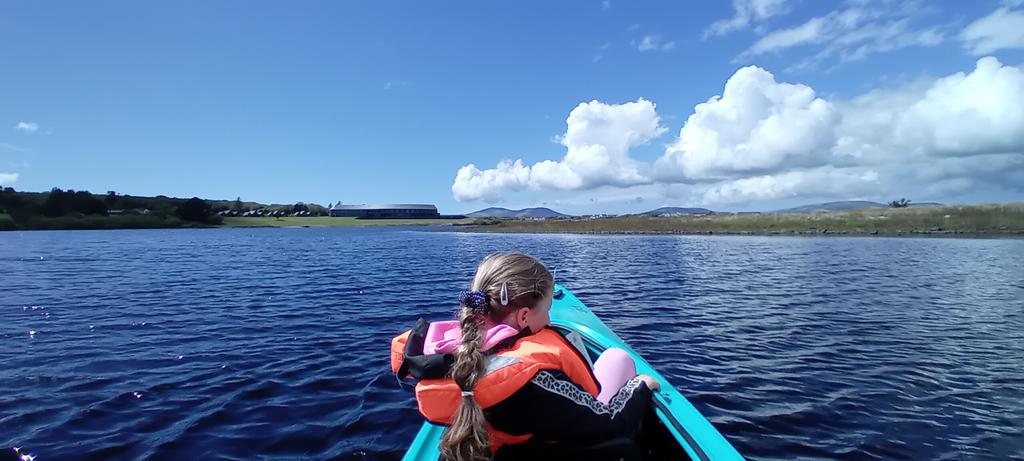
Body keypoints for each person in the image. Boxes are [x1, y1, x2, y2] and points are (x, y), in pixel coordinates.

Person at [390, 253, 660, 460]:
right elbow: (609, 421)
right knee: (618, 360)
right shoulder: (532, 381)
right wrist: (641, 387)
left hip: (499, 447)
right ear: (523, 316)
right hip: (535, 449)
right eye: (548, 309)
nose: (550, 317)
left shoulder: (443, 354)